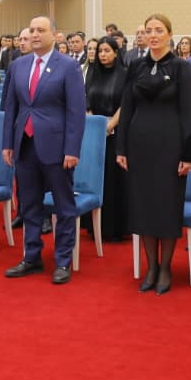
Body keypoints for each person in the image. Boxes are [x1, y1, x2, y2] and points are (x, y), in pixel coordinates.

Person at [2, 15, 87, 284]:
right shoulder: (18, 65)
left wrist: (72, 149)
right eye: (32, 30)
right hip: (25, 145)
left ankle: (62, 260)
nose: (35, 34)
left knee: (64, 206)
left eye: (41, 30)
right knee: (29, 205)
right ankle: (31, 257)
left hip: (57, 148)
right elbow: (11, 108)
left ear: (54, 35)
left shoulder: (68, 66)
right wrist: (7, 143)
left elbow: (76, 112)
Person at [116, 14, 191, 296]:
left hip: (171, 145)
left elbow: (187, 113)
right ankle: (151, 267)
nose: (153, 35)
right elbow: (127, 108)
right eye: (148, 30)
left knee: (166, 206)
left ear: (169, 34)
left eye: (159, 30)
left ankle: (165, 268)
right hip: (139, 145)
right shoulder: (136, 65)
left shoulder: (181, 67)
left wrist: (188, 153)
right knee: (144, 207)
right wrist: (121, 148)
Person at [85, 36, 129, 241]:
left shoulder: (125, 75)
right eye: (99, 51)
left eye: (106, 51)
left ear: (116, 52)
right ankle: (95, 225)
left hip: (116, 131)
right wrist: (94, 123)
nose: (102, 55)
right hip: (95, 131)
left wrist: (109, 126)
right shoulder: (92, 74)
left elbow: (126, 104)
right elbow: (87, 102)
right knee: (96, 177)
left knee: (114, 179)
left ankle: (115, 227)